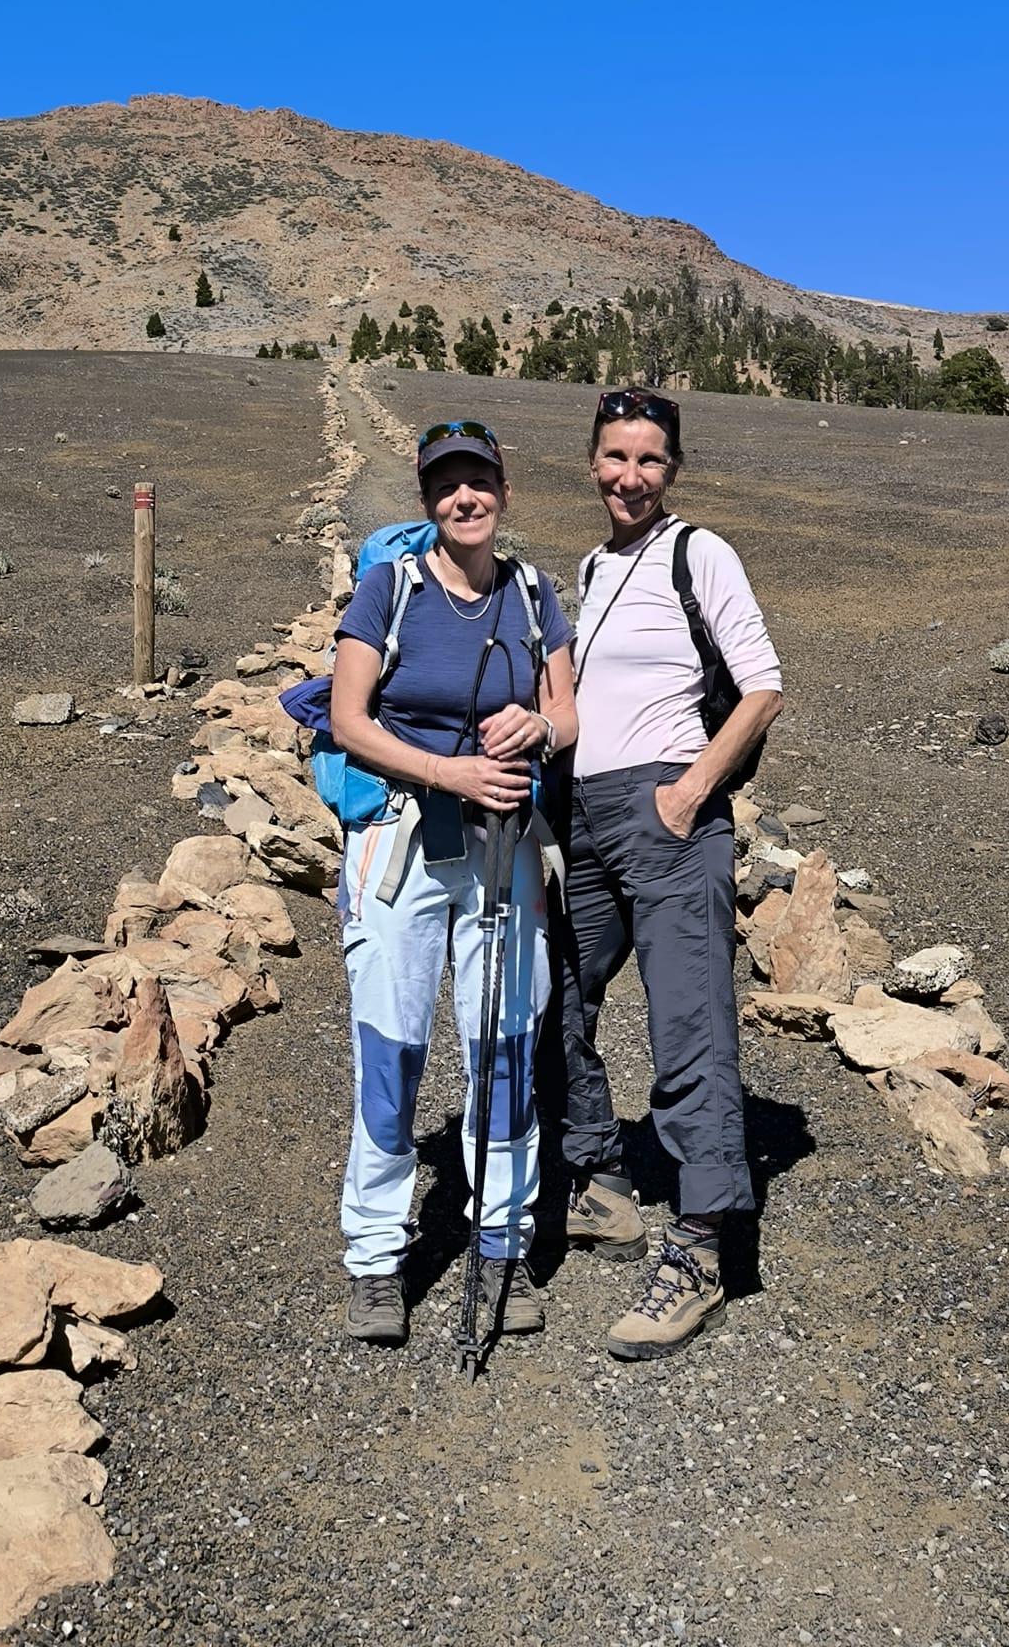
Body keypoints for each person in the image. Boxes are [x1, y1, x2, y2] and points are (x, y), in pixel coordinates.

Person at [329, 420, 577, 1346]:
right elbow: (351, 720)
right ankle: (377, 1257)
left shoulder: (534, 592)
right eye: (446, 486)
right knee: (391, 1047)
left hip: (506, 843)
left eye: (478, 482)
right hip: (402, 842)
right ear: (428, 498)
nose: (463, 499)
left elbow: (569, 709)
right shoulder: (389, 588)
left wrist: (538, 735)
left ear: (503, 490)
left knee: (506, 1047)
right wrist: (452, 773)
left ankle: (503, 1244)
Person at [559, 387, 783, 1359]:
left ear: (674, 470)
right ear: (593, 460)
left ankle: (700, 1247)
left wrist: (691, 791)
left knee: (687, 1024)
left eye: (650, 460)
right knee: (547, 994)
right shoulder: (592, 565)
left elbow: (764, 683)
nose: (630, 476)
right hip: (585, 814)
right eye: (616, 456)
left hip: (667, 811)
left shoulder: (701, 552)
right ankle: (601, 1179)